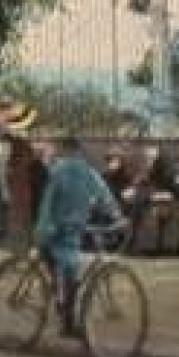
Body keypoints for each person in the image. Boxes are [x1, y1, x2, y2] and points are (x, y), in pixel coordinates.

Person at [35, 136, 126, 337]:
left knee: (68, 277)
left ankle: (66, 318)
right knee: (68, 277)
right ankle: (65, 320)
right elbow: (105, 197)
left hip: (61, 232)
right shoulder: (86, 173)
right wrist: (118, 217)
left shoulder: (60, 171)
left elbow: (47, 202)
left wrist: (43, 227)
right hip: (61, 234)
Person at [0, 103, 46, 259]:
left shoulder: (23, 140)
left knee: (27, 218)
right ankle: (18, 253)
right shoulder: (9, 140)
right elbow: (2, 165)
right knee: (18, 218)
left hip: (26, 183)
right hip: (16, 183)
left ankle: (25, 251)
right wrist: (4, 189)